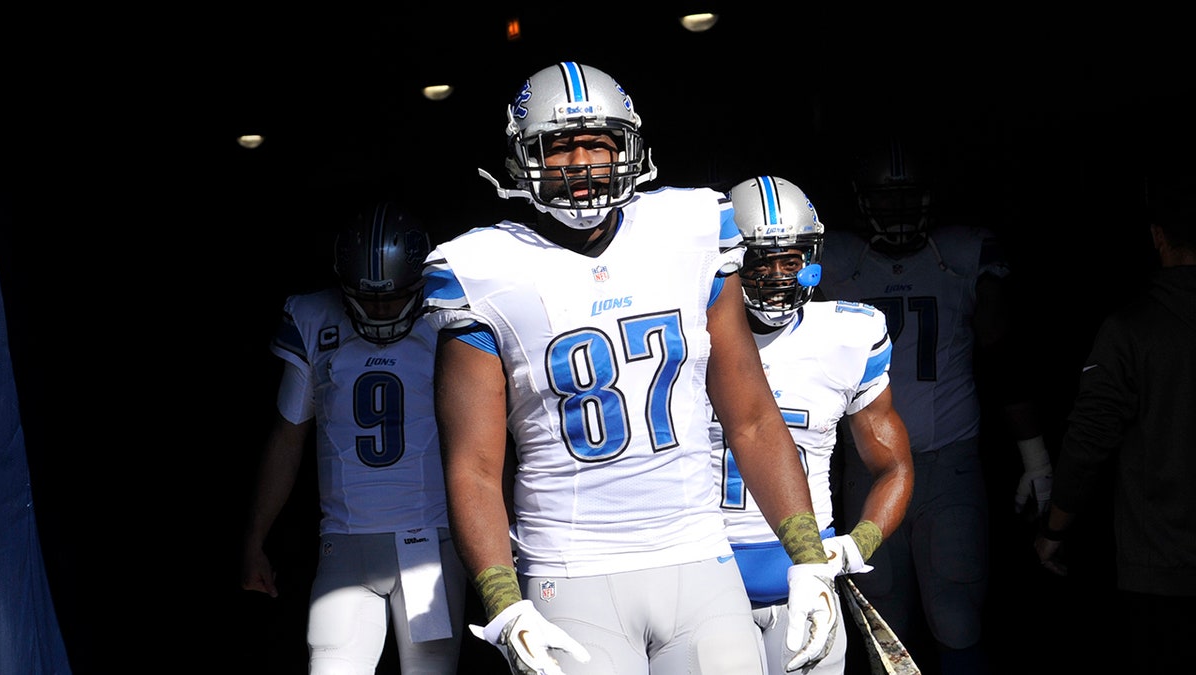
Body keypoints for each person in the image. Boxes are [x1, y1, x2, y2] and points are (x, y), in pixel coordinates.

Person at [421, 61, 840, 675]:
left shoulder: (693, 228)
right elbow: (475, 467)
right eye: (560, 147)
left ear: (631, 145)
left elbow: (750, 415)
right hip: (570, 572)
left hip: (700, 559)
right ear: (522, 156)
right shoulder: (479, 269)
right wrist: (504, 603)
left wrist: (806, 557)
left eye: (600, 142)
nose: (585, 163)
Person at [817, 137, 1053, 674]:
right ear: (859, 200)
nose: (897, 213)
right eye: (885, 199)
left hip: (949, 464)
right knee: (882, 623)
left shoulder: (959, 256)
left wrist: (1034, 455)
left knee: (956, 615)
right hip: (869, 468)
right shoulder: (838, 263)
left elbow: (1002, 353)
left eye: (907, 199)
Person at [239, 201, 466, 675]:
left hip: (432, 544)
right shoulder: (313, 316)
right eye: (368, 297)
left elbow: (483, 436)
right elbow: (288, 437)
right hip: (343, 543)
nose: (380, 308)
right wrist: (254, 538)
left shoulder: (450, 314)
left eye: (393, 296)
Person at [711, 175, 915, 675]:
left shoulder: (847, 334)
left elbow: (895, 466)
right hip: (705, 593)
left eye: (793, 258)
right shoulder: (685, 337)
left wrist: (856, 544)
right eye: (763, 260)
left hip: (806, 579)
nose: (781, 275)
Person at [1034, 170, 1196, 674]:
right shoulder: (1134, 329)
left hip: (1162, 571)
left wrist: (1054, 527)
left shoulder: (1131, 330)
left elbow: (1089, 441)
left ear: (1157, 237)